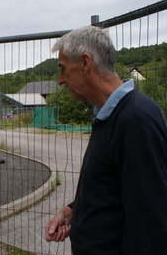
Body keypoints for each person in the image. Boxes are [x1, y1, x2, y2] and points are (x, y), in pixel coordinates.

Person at [45, 26, 167, 254]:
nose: (60, 80)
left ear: (85, 62)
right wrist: (72, 211)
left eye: (63, 69)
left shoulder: (134, 120)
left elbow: (149, 224)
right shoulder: (109, 115)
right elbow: (114, 190)